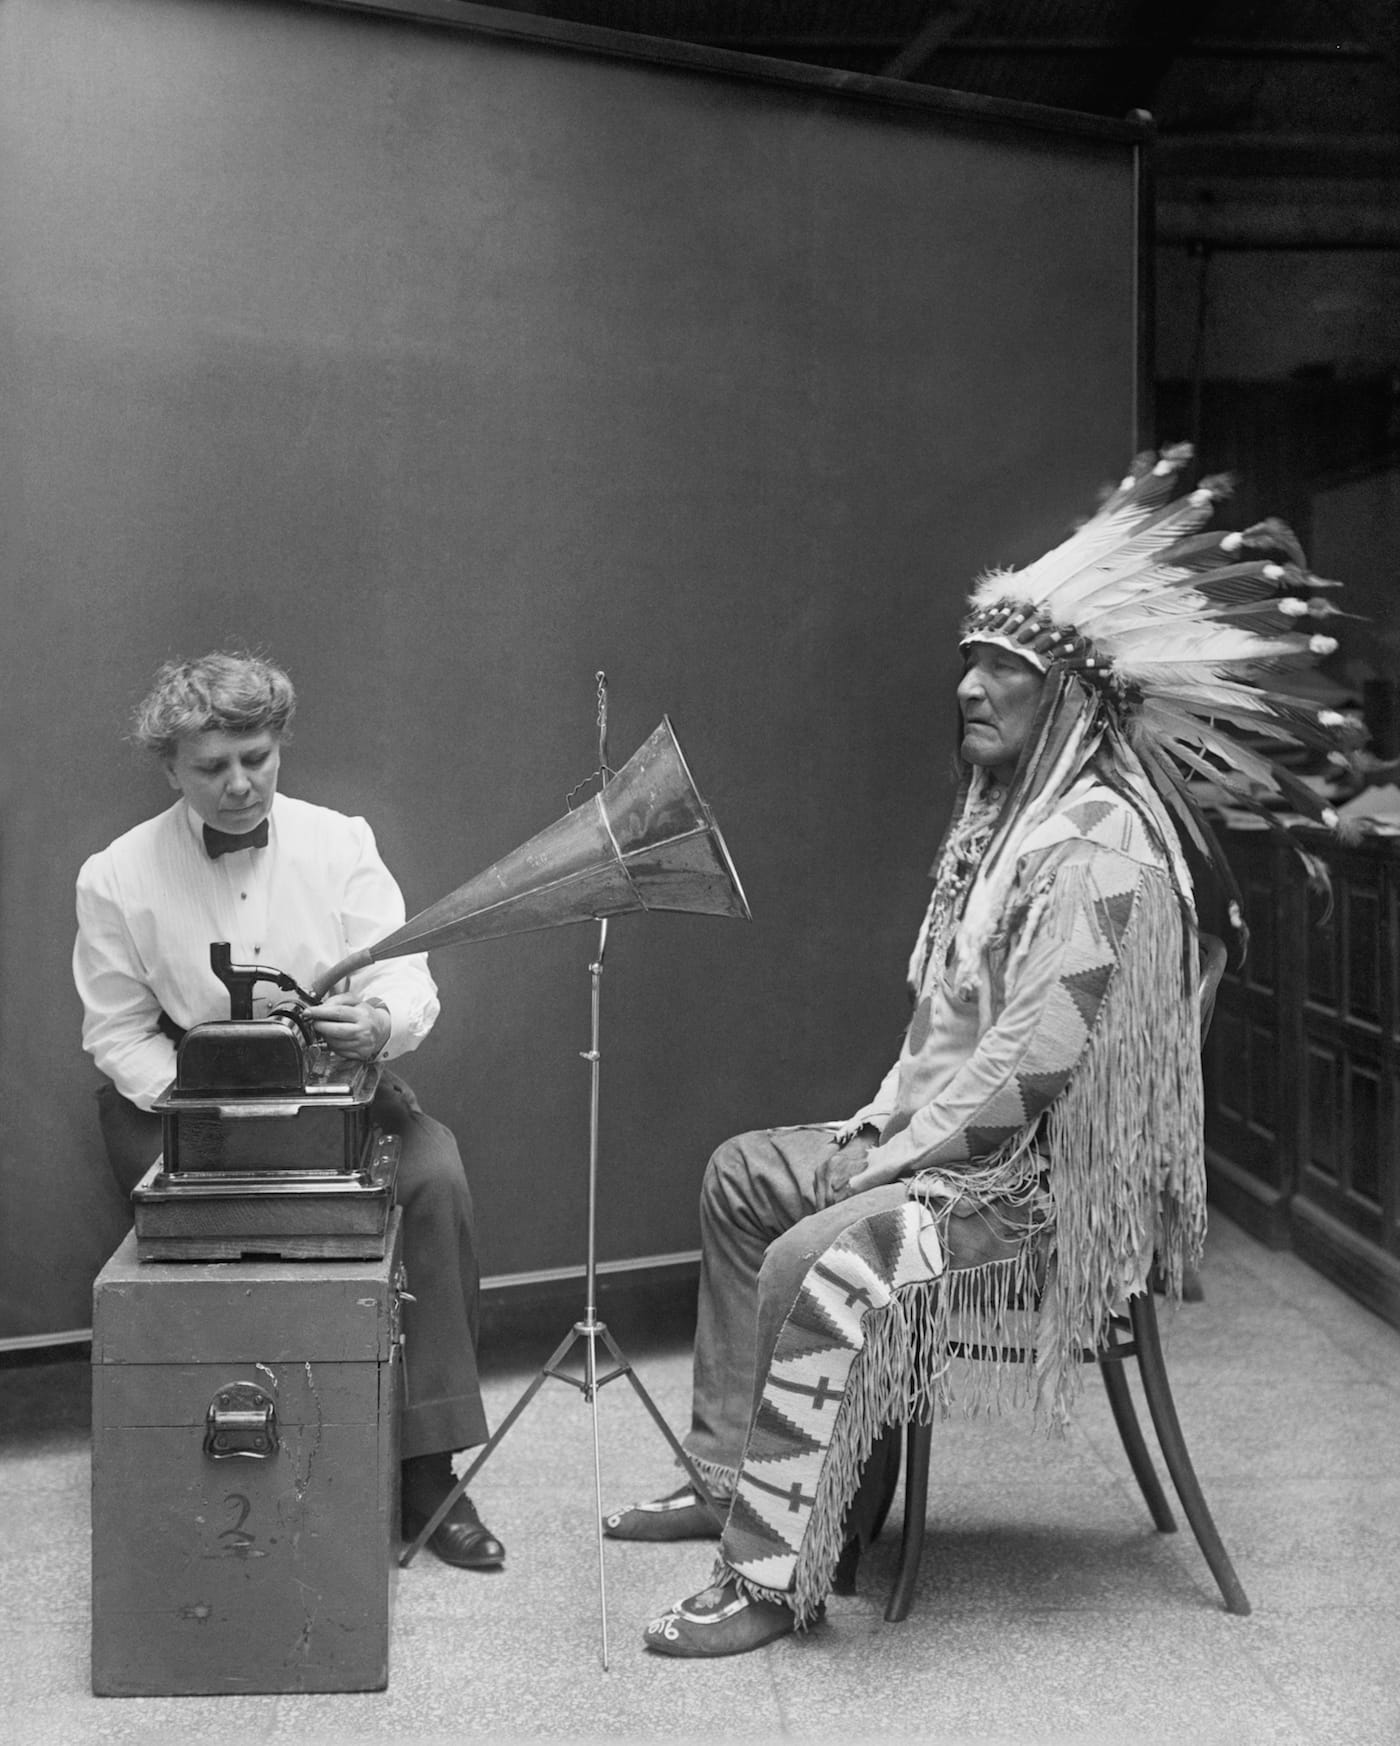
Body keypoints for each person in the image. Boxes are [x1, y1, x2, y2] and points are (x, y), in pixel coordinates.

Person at [606, 446, 1358, 1657]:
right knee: (745, 1174)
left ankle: (767, 1575)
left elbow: (1028, 1074)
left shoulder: (1099, 848)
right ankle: (728, 1477)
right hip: (957, 1153)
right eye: (968, 660)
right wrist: (878, 1133)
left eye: (1003, 667)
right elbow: (954, 1033)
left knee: (820, 1246)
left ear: (1067, 702)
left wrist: (886, 1160)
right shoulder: (1010, 827)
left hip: (1030, 1194)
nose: (967, 685)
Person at [73, 651, 504, 1571]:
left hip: (329, 1078)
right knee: (212, 1222)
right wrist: (205, 1095)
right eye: (212, 767)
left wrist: (379, 1022)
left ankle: (426, 1468)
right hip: (185, 1098)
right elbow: (114, 1033)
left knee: (433, 1181)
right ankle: (232, 1459)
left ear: (280, 748)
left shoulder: (341, 842)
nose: (239, 786)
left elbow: (403, 972)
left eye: (257, 759)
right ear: (170, 770)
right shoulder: (113, 875)